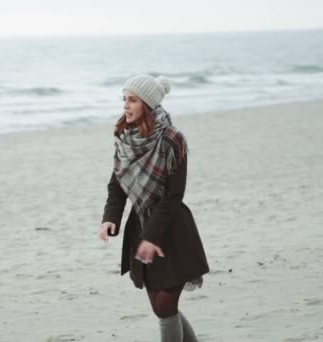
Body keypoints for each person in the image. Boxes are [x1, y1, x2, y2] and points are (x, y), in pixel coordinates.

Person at [99, 74, 210, 342]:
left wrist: (152, 236)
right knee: (161, 309)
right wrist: (109, 218)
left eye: (133, 100)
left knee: (165, 306)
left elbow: (174, 195)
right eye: (124, 99)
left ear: (147, 105)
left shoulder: (173, 140)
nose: (126, 105)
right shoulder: (125, 137)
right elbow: (117, 184)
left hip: (172, 231)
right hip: (139, 228)